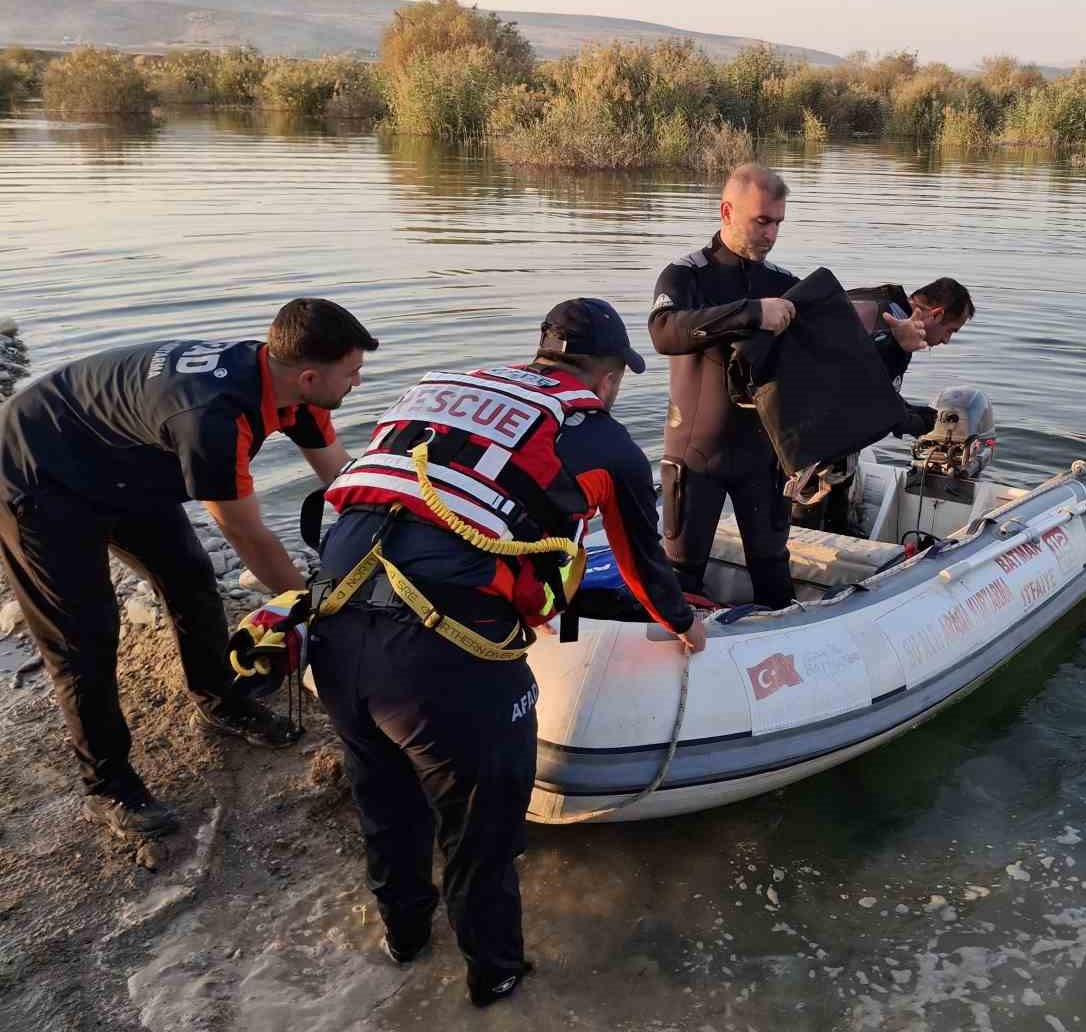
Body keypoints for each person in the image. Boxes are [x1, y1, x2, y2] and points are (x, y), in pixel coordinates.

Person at [310, 297, 706, 1009]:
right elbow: (641, 561)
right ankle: (495, 983)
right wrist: (682, 623)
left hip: (333, 625)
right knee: (481, 835)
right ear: (608, 374)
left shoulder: (443, 388)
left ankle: (402, 943)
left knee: (387, 806)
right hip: (441, 658)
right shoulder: (602, 436)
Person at [0, 298, 375, 839]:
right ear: (310, 374)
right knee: (83, 640)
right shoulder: (214, 420)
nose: (359, 383)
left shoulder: (298, 386)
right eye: (354, 373)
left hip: (125, 462)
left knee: (192, 582)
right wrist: (320, 612)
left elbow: (343, 481)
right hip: (38, 475)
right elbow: (249, 537)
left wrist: (404, 540)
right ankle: (108, 787)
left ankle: (220, 699)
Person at [649, 162, 799, 609]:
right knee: (681, 575)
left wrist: (893, 342)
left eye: (778, 223)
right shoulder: (686, 275)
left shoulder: (786, 285)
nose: (771, 234)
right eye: (761, 221)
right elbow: (664, 331)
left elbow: (822, 361)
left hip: (763, 459)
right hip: (697, 456)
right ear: (727, 211)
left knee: (772, 569)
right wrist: (751, 313)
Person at [793, 278, 975, 533]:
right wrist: (908, 420)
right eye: (951, 331)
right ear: (936, 314)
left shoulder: (890, 309)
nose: (946, 341)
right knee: (807, 517)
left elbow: (873, 384)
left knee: (839, 488)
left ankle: (837, 534)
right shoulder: (886, 324)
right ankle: (808, 554)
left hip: (827, 430)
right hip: (808, 432)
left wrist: (907, 411)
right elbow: (857, 394)